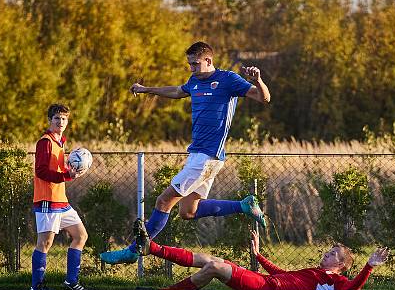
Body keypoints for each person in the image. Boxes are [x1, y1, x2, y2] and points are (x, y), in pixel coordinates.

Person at [101, 41, 272, 265]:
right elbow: (177, 91)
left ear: (208, 60)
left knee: (164, 201)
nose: (191, 68)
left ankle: (134, 251)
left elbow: (264, 98)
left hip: (206, 157)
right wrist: (146, 89)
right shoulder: (194, 81)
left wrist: (257, 80)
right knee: (188, 211)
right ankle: (244, 205)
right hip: (200, 157)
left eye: (195, 64)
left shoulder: (228, 79)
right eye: (189, 64)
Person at [131, 219, 388, 290]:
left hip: (264, 288)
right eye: (328, 249)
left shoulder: (337, 284)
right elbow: (281, 274)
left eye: (333, 254)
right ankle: (151, 248)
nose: (326, 253)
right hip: (264, 280)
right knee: (213, 259)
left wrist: (368, 266)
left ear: (341, 265)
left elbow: (352, 288)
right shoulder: (316, 272)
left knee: (214, 267)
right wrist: (258, 255)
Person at [31, 104, 91, 290]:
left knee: (81, 236)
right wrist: (65, 176)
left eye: (64, 119)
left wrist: (70, 172)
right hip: (47, 200)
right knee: (45, 243)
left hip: (61, 200)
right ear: (50, 120)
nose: (61, 122)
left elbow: (57, 169)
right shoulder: (45, 142)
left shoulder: (61, 141)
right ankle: (37, 286)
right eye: (57, 118)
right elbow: (41, 171)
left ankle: (71, 282)